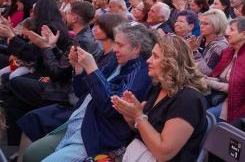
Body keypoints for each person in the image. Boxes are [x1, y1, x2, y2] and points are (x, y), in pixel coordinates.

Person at [23, 23, 154, 162]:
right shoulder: (115, 60)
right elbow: (81, 92)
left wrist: (91, 68)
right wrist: (79, 68)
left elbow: (109, 108)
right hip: (78, 119)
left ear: (137, 48)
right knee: (30, 141)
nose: (115, 49)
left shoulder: (141, 73)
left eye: (120, 45)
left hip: (95, 133)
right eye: (115, 43)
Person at [111, 34, 208, 162]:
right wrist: (130, 117)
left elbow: (163, 153)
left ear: (171, 63)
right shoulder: (159, 87)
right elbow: (146, 132)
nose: (148, 60)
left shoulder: (188, 99)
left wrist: (138, 116)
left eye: (155, 56)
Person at [207, 17, 245, 122]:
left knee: (207, 117)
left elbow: (237, 89)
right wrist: (208, 80)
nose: (226, 33)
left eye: (231, 30)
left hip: (236, 103)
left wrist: (208, 82)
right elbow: (221, 78)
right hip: (217, 95)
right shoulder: (228, 50)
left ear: (244, 34)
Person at [193, 9, 229, 76]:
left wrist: (194, 51)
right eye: (201, 23)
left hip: (205, 82)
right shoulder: (201, 38)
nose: (201, 26)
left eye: (206, 24)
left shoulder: (220, 46)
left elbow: (207, 72)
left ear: (217, 26)